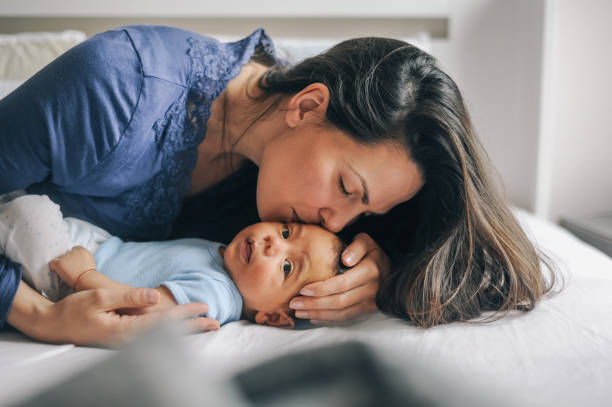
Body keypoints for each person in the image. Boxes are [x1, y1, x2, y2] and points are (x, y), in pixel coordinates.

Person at [0, 24, 554, 345]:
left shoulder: (285, 205)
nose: (333, 223)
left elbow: (476, 272)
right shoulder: (114, 89)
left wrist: (380, 268)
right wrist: (36, 314)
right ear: (308, 104)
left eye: (362, 213)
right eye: (346, 187)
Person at [1, 194, 346, 330]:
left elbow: (145, 311)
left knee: (27, 213)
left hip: (71, 286)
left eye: (287, 267)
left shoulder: (218, 294)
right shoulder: (224, 257)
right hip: (93, 251)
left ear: (272, 316)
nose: (275, 243)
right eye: (287, 231)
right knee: (23, 208)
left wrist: (84, 276)